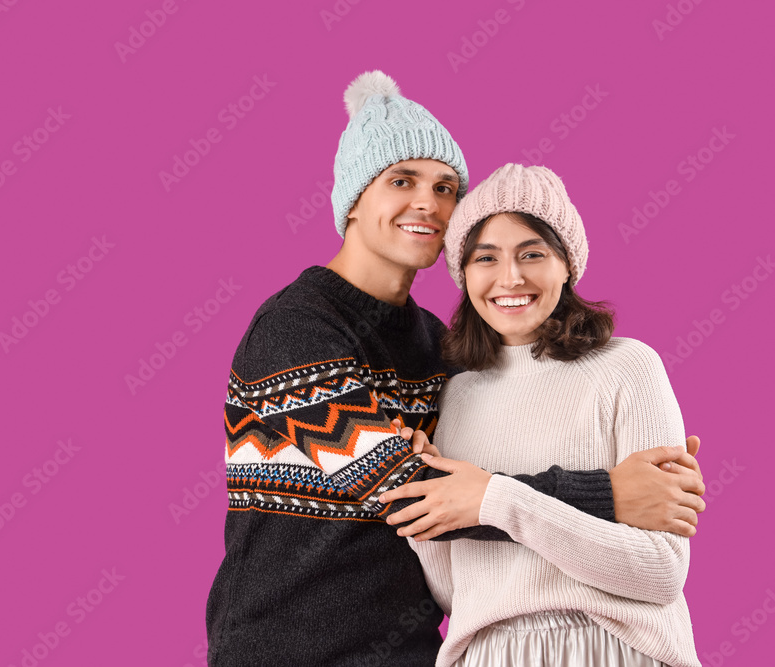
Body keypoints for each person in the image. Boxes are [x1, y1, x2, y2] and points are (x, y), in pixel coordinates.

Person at [206, 71, 705, 667]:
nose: (428, 202)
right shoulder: (298, 328)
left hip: (413, 650)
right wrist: (610, 493)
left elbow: (461, 505)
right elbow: (409, 494)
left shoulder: (439, 350)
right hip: (286, 649)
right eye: (401, 181)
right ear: (353, 200)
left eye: (446, 187)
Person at [380, 163, 699, 666]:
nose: (510, 278)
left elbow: (658, 571)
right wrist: (425, 502)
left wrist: (498, 498)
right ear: (463, 274)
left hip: (611, 647)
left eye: (532, 253)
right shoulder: (456, 395)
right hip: (489, 654)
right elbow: (456, 592)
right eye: (486, 258)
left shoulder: (628, 369)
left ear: (567, 264)